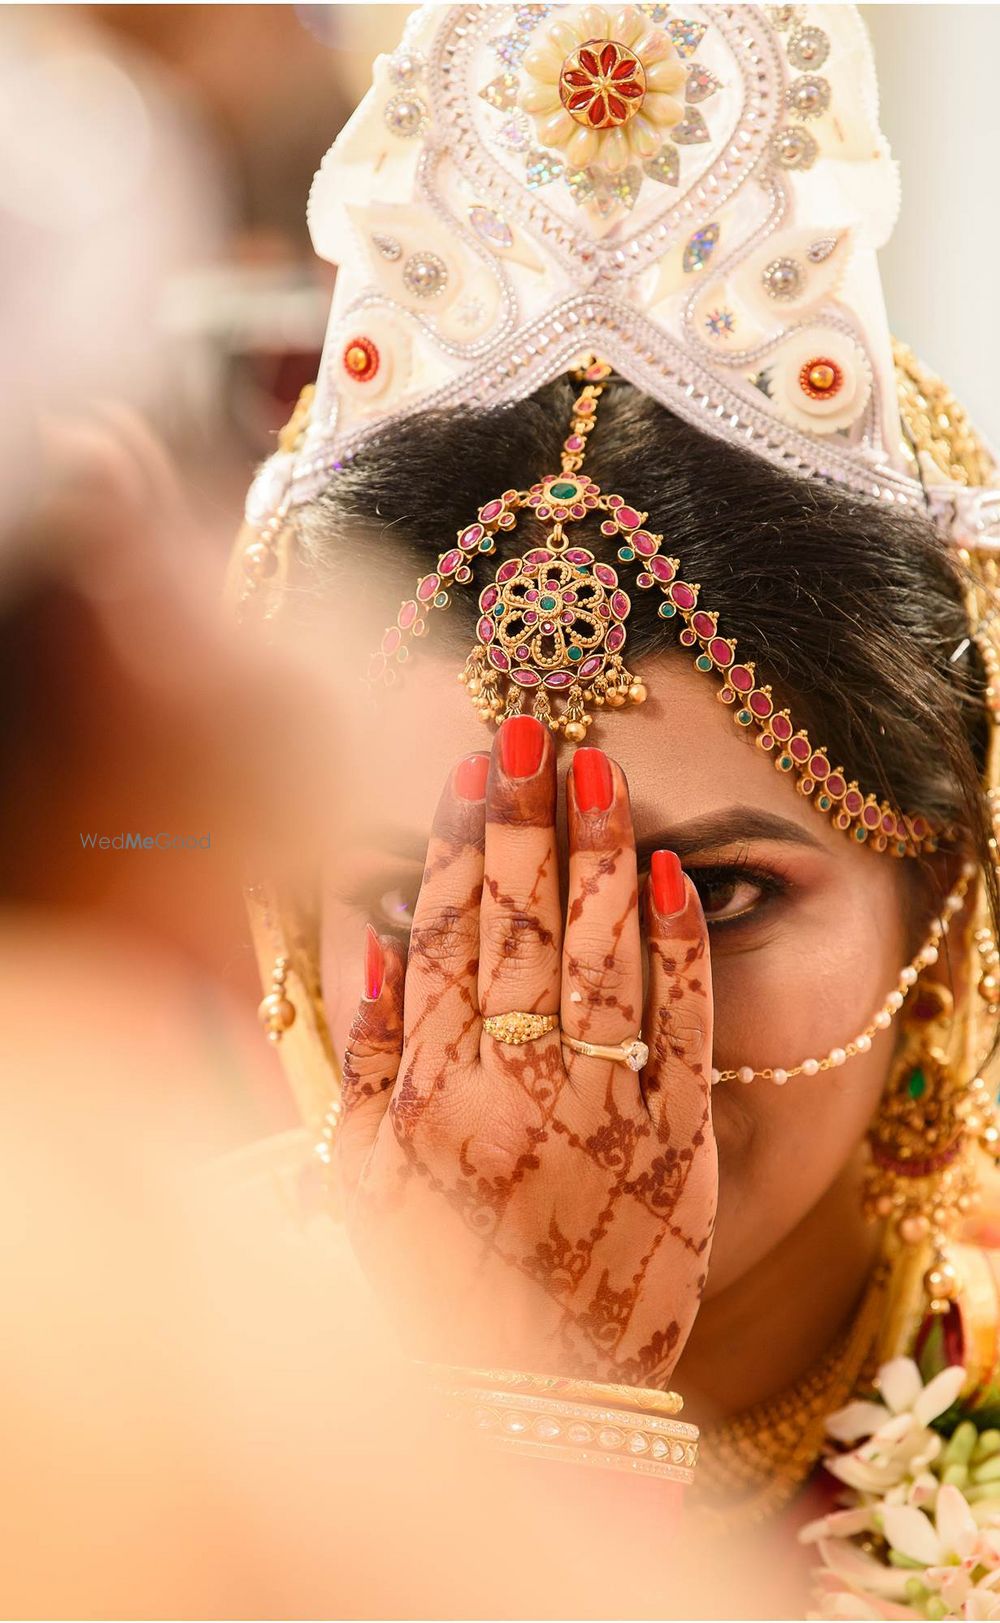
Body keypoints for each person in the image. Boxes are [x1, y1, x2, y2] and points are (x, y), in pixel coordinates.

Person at [232, 4, 1000, 1613]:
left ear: (941, 913)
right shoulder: (104, 1371)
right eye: (416, 898)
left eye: (710, 897)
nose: (552, 1026)